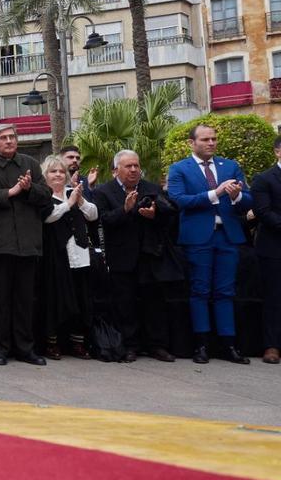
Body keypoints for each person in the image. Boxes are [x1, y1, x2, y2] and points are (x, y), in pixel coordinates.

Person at [167, 124, 254, 364]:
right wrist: (215, 193)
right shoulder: (179, 169)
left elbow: (248, 199)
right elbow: (179, 200)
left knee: (226, 291)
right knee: (200, 290)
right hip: (198, 238)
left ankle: (229, 344)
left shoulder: (230, 165)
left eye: (214, 139)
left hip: (227, 236)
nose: (211, 143)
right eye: (205, 139)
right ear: (191, 143)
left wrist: (236, 195)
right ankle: (202, 344)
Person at [0, 124, 52, 367]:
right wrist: (10, 192)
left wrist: (28, 189)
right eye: (3, 138)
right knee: (1, 299)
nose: (9, 141)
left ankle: (26, 349)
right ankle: (0, 349)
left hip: (27, 242)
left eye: (12, 137)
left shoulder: (30, 164)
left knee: (25, 299)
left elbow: (45, 195)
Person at [93, 149, 183, 363]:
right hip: (121, 258)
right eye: (128, 166)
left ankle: (157, 345)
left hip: (150, 256)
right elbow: (103, 221)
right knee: (125, 305)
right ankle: (130, 345)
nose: (134, 170)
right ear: (116, 170)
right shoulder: (104, 192)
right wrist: (125, 210)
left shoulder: (150, 188)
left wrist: (154, 215)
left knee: (154, 303)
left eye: (136, 165)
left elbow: (170, 216)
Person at [37, 155, 98, 362]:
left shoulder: (74, 193)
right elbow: (47, 216)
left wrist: (78, 200)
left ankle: (78, 342)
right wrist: (68, 204)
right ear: (45, 175)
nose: (58, 175)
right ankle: (52, 343)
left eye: (61, 171)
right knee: (56, 299)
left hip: (79, 253)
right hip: (56, 255)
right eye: (53, 171)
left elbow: (93, 214)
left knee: (81, 299)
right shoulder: (43, 195)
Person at [250, 135, 281, 364]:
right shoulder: (264, 179)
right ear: (277, 152)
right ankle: (271, 346)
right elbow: (263, 212)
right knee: (273, 298)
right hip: (273, 248)